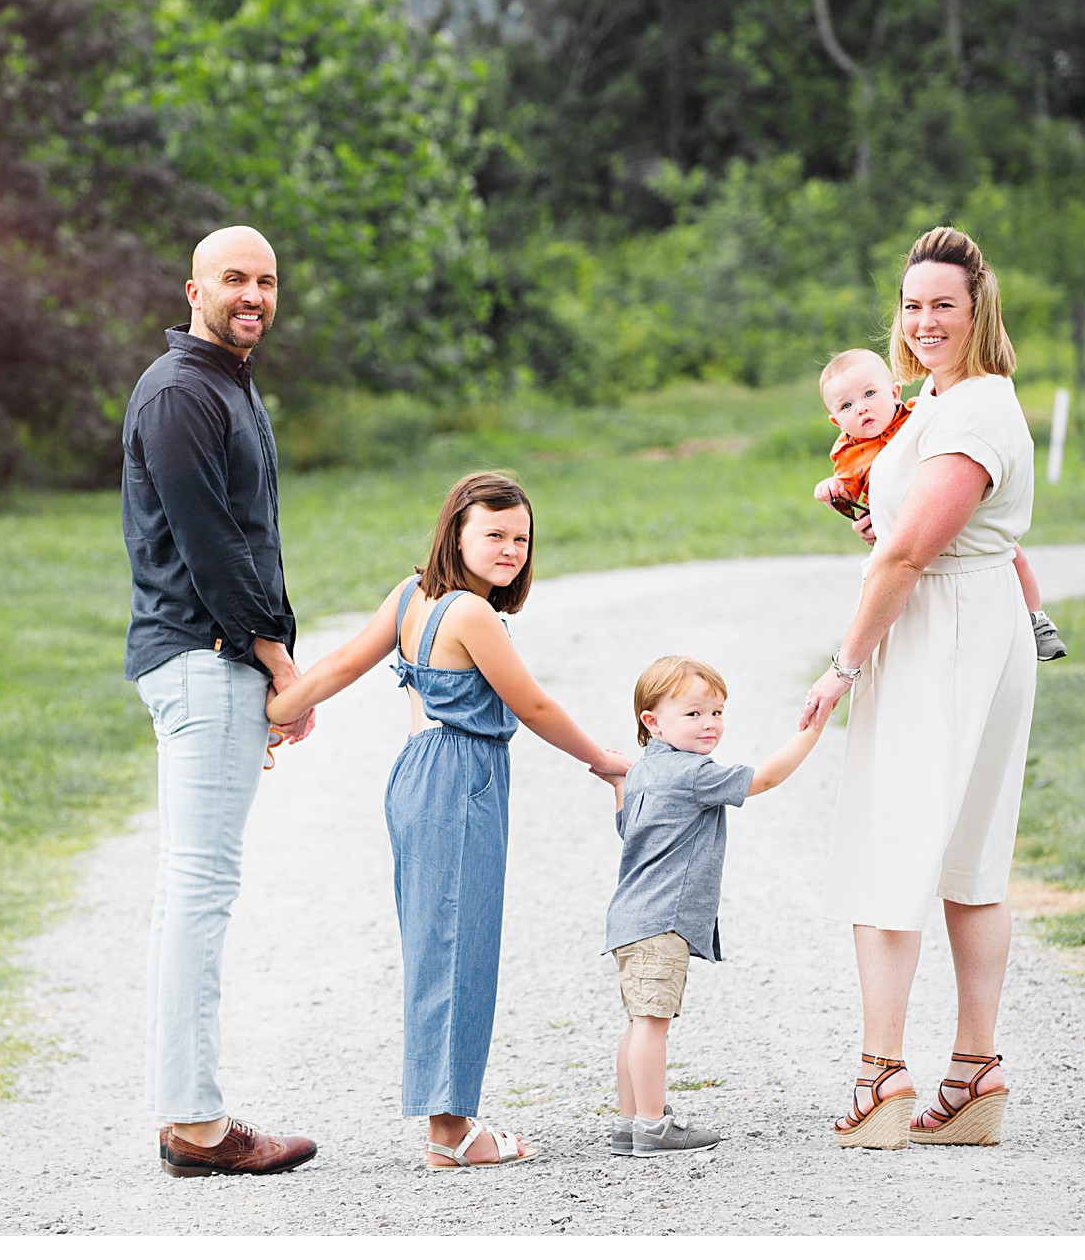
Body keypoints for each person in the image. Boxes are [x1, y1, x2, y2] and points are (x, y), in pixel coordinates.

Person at [265, 471, 629, 1169]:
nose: (510, 548)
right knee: (459, 949)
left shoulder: (412, 596)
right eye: (493, 533)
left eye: (521, 537)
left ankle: (449, 1119)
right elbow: (535, 706)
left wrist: (280, 713)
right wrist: (605, 761)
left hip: (415, 775)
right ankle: (452, 1132)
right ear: (455, 533)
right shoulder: (470, 615)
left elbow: (341, 663)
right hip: (459, 777)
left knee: (440, 946)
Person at [802, 226, 1037, 1150]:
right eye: (911, 304)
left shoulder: (977, 408)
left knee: (897, 846)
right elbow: (907, 529)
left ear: (978, 309)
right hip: (964, 623)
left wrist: (843, 665)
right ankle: (973, 1072)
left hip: (946, 635)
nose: (925, 320)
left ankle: (880, 1074)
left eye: (943, 302)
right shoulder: (931, 403)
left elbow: (909, 551)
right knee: (962, 853)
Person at [121, 225, 318, 1178]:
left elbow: (253, 534)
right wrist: (282, 668)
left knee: (197, 890)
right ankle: (194, 1125)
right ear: (192, 287)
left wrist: (272, 664)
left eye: (267, 280)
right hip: (202, 658)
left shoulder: (228, 383)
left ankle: (188, 1117)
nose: (253, 294)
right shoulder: (180, 393)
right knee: (197, 892)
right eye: (234, 278)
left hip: (222, 659)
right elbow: (210, 548)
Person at [603, 655, 826, 1158]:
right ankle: (654, 1127)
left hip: (631, 918)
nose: (710, 724)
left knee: (641, 1022)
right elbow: (763, 780)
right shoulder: (691, 773)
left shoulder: (643, 771)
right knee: (651, 1024)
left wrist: (618, 785)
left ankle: (629, 1124)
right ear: (652, 722)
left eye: (717, 712)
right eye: (694, 714)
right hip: (660, 919)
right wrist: (812, 733)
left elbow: (626, 831)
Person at [814, 347, 1066, 661]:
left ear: (894, 392)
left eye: (869, 394)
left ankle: (1036, 619)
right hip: (906, 533)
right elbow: (850, 493)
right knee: (894, 579)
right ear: (835, 419)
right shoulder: (849, 455)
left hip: (951, 510)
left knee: (1012, 554)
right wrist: (836, 492)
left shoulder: (916, 417)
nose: (861, 409)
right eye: (847, 405)